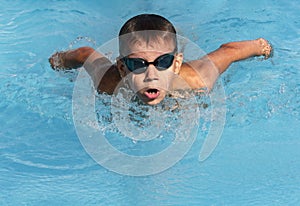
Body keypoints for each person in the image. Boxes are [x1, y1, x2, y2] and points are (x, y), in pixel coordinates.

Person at [49, 14, 272, 105]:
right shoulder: (108, 83)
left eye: (163, 62)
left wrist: (261, 47)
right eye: (137, 65)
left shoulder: (197, 79)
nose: (151, 74)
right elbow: (85, 54)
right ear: (122, 68)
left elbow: (230, 50)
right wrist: (58, 61)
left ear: (175, 64)